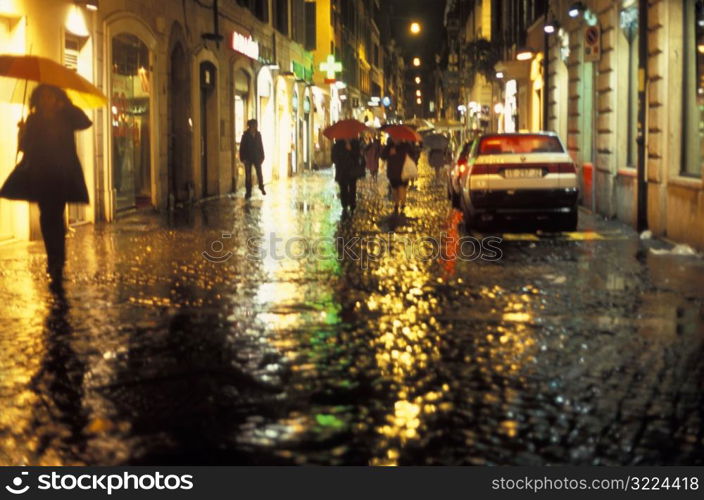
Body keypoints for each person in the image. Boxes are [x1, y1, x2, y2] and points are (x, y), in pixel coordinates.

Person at [0, 84, 92, 288]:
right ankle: (55, 257)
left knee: (55, 216)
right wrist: (22, 131)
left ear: (57, 98)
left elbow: (85, 121)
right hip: (41, 175)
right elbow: (25, 148)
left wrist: (66, 106)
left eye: (50, 96)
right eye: (43, 97)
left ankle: (57, 259)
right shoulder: (34, 119)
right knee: (47, 217)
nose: (46, 100)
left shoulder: (66, 116)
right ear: (38, 99)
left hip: (61, 174)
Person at [381, 138, 419, 215]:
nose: (395, 140)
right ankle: (397, 204)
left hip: (403, 171)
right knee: (395, 189)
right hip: (392, 171)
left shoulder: (406, 146)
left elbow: (413, 155)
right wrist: (389, 153)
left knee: (402, 187)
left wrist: (403, 154)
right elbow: (382, 156)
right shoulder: (389, 146)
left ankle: (402, 204)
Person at [332, 138, 363, 214]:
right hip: (342, 171)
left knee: (352, 188)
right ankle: (344, 205)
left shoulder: (355, 143)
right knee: (343, 189)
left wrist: (351, 150)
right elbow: (333, 158)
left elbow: (358, 155)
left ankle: (352, 204)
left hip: (352, 170)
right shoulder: (337, 145)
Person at [239, 119, 266, 199]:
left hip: (257, 157)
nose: (255, 126)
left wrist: (262, 156)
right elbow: (242, 147)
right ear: (250, 126)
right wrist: (242, 158)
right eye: (254, 125)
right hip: (248, 158)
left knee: (259, 173)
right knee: (248, 175)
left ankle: (261, 186)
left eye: (256, 125)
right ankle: (248, 192)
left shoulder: (258, 135)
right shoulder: (245, 135)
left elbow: (261, 146)